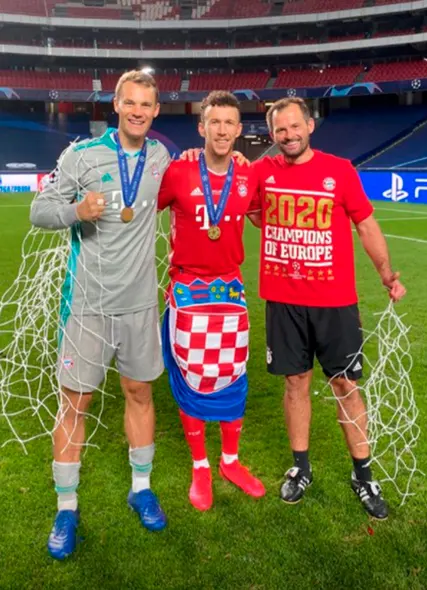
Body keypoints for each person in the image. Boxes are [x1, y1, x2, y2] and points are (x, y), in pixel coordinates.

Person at [29, 70, 173, 559]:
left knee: (139, 393)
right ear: (116, 104)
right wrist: (76, 212)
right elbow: (40, 210)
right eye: (130, 102)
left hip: (138, 307)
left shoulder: (160, 156)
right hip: (86, 307)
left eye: (146, 105)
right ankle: (65, 508)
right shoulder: (80, 155)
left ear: (156, 111)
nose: (137, 111)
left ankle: (141, 487)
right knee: (75, 404)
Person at [251, 97, 405, 519]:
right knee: (295, 383)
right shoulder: (261, 171)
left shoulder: (339, 170)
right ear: (272, 134)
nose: (289, 135)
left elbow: (366, 224)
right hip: (283, 300)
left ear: (310, 126)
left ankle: (362, 473)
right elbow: (249, 210)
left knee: (345, 386)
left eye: (295, 126)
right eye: (281, 130)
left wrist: (386, 274)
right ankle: (301, 468)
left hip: (335, 302)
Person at [157, 91, 265, 511]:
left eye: (229, 124)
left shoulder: (248, 175)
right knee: (192, 378)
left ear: (239, 131)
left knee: (232, 374)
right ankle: (201, 465)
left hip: (230, 289)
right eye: (213, 123)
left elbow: (261, 214)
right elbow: (146, 210)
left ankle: (230, 462)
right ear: (201, 128)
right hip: (187, 288)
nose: (221, 130)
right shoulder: (179, 171)